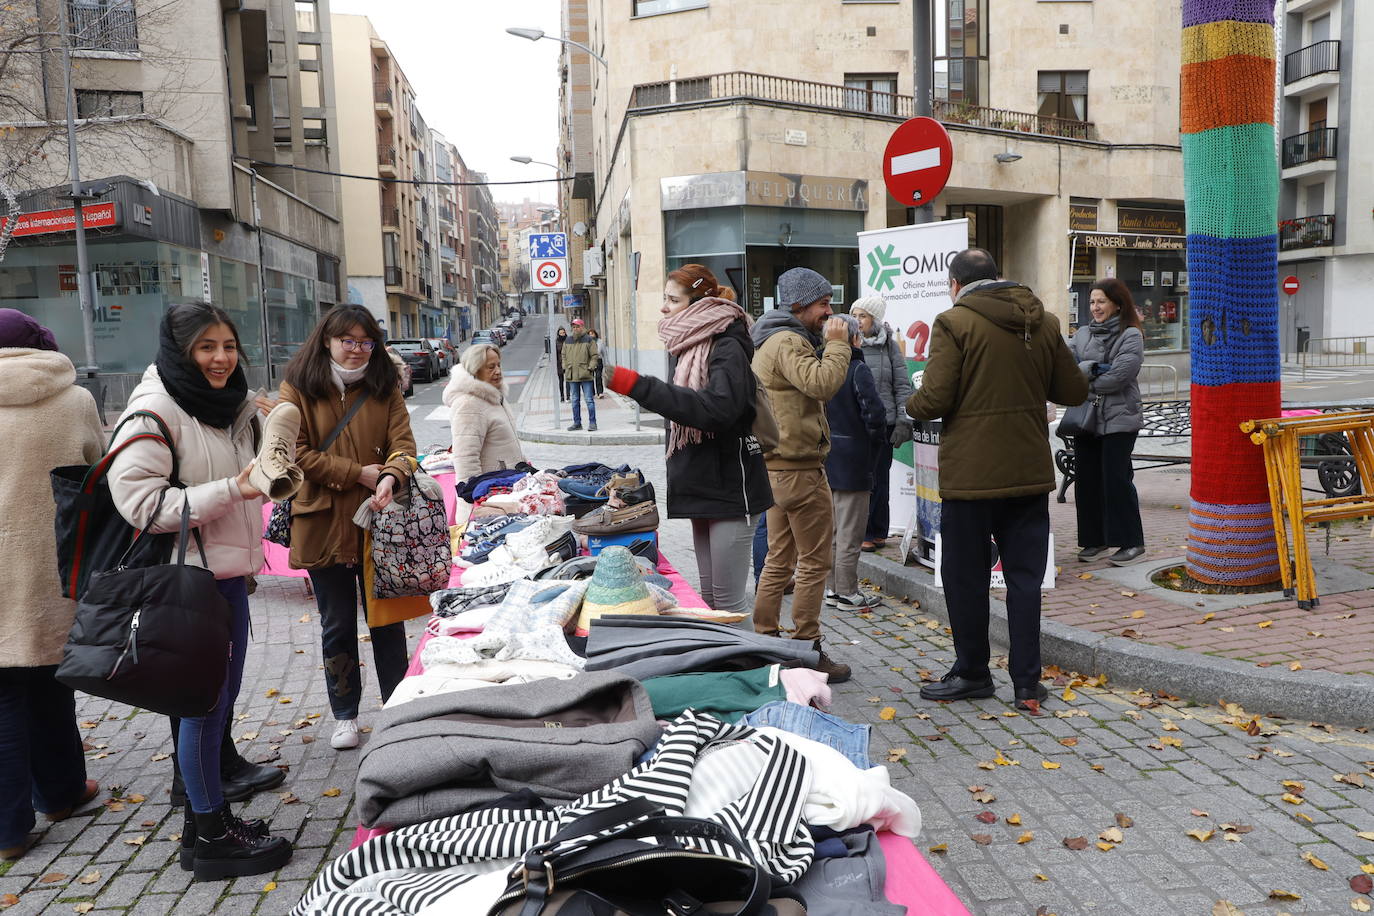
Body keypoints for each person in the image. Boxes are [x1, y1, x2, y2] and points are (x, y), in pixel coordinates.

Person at [108, 303, 292, 878]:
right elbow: (139, 504)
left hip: (225, 579)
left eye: (229, 346)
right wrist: (234, 488)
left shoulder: (222, 407)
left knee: (216, 707)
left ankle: (204, 825)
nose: (220, 358)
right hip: (189, 586)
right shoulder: (154, 412)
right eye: (207, 348)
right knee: (203, 712)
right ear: (180, 351)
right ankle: (210, 836)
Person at [904, 249, 1088, 713]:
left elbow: (936, 397)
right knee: (1025, 580)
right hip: (1028, 473)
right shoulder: (1041, 321)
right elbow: (1072, 391)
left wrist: (912, 402)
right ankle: (1027, 683)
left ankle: (972, 673)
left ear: (955, 283)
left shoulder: (954, 323)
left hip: (971, 477)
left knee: (965, 578)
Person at [279, 305, 416, 751]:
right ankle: (345, 715)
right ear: (327, 341)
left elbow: (404, 444)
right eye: (348, 341)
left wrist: (393, 475)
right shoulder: (297, 388)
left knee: (387, 621)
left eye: (366, 342)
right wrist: (357, 473)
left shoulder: (385, 386)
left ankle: (397, 710)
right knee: (336, 623)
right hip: (322, 521)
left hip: (381, 521)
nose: (357, 350)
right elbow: (293, 454)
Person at [603, 264, 772, 615]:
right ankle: (725, 668)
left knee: (728, 606)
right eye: (664, 298)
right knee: (710, 601)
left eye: (671, 299)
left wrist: (639, 386)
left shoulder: (728, 345)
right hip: (702, 485)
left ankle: (756, 668)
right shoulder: (687, 343)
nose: (663, 307)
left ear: (698, 302)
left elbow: (716, 410)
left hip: (731, 490)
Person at [0, 311, 104, 862]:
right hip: (49, 562)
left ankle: (9, 829)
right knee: (48, 678)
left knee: (3, 694)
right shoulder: (75, 400)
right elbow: (97, 470)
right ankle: (61, 792)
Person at [751, 267, 853, 682]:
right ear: (798, 305)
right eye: (823, 305)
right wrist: (838, 345)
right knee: (812, 563)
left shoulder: (768, 338)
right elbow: (822, 383)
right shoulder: (788, 340)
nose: (828, 313)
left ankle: (765, 641)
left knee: (778, 559)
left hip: (777, 468)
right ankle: (806, 648)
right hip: (798, 470)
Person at [1069, 278, 1146, 566]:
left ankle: (1131, 542)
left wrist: (1084, 378)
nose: (1095, 307)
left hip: (1119, 418)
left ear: (1117, 303)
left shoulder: (1130, 335)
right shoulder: (1082, 334)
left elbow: (1119, 376)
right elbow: (1068, 369)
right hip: (1086, 417)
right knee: (1086, 480)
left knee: (1116, 480)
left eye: (1101, 301)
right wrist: (1089, 373)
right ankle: (1094, 539)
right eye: (1092, 302)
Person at [823, 314, 887, 612]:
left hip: (828, 458)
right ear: (854, 339)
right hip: (853, 460)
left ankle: (834, 588)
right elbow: (874, 415)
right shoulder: (857, 368)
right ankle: (846, 591)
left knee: (834, 531)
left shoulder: (822, 368)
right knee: (849, 531)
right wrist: (873, 446)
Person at [849, 296, 914, 551]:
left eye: (862, 316)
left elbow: (902, 384)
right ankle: (863, 531)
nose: (857, 321)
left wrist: (902, 420)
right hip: (859, 422)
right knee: (865, 479)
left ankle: (878, 530)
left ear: (874, 319)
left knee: (881, 478)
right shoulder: (847, 343)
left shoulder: (889, 344)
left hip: (884, 422)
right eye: (854, 315)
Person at [443, 343, 524, 479]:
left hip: (507, 484)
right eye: (491, 367)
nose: (498, 371)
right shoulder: (469, 405)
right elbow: (465, 459)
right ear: (475, 370)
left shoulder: (496, 396)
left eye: (499, 365)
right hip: (490, 491)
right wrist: (472, 494)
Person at [563, 319, 600, 431]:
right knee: (574, 400)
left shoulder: (589, 340)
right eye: (573, 327)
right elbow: (563, 355)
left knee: (589, 400)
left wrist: (590, 367)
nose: (575, 329)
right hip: (572, 374)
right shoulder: (568, 340)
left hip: (585, 374)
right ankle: (577, 423)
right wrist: (565, 366)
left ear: (582, 327)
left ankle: (593, 423)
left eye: (577, 326)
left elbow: (594, 356)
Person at [588, 329, 607, 398]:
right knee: (591, 377)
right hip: (590, 361)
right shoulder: (587, 342)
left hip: (598, 360)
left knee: (598, 377)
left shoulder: (600, 342)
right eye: (589, 334)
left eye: (592, 334)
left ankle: (600, 392)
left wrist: (606, 364)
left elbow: (604, 353)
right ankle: (592, 393)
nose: (591, 335)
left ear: (595, 334)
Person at [554, 327, 568, 401]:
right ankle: (562, 396)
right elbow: (555, 354)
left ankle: (568, 396)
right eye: (561, 333)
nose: (562, 334)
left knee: (568, 380)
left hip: (568, 362)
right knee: (561, 380)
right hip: (559, 363)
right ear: (558, 334)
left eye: (563, 332)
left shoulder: (568, 340)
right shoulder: (556, 342)